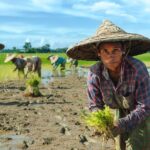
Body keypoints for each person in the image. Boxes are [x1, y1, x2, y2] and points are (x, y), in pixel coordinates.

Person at [66, 20, 150, 150]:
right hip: (120, 112)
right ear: (98, 53)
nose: (110, 55)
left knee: (137, 146)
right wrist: (100, 123)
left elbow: (145, 106)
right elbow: (95, 105)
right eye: (105, 51)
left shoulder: (137, 69)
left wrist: (122, 124)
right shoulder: (94, 74)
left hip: (143, 113)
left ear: (123, 50)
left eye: (115, 50)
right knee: (119, 146)